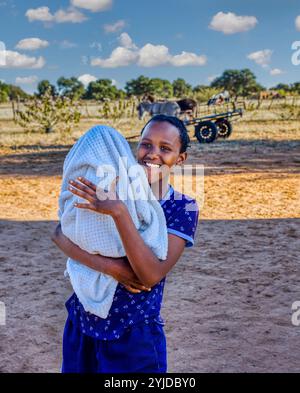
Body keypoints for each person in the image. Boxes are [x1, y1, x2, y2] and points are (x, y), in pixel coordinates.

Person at [52, 114, 199, 373]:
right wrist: (113, 269)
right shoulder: (110, 186)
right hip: (82, 320)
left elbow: (149, 275)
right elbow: (59, 233)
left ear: (180, 158)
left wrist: (119, 212)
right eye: (146, 144)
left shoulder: (181, 207)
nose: (152, 154)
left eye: (165, 148)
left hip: (133, 333)